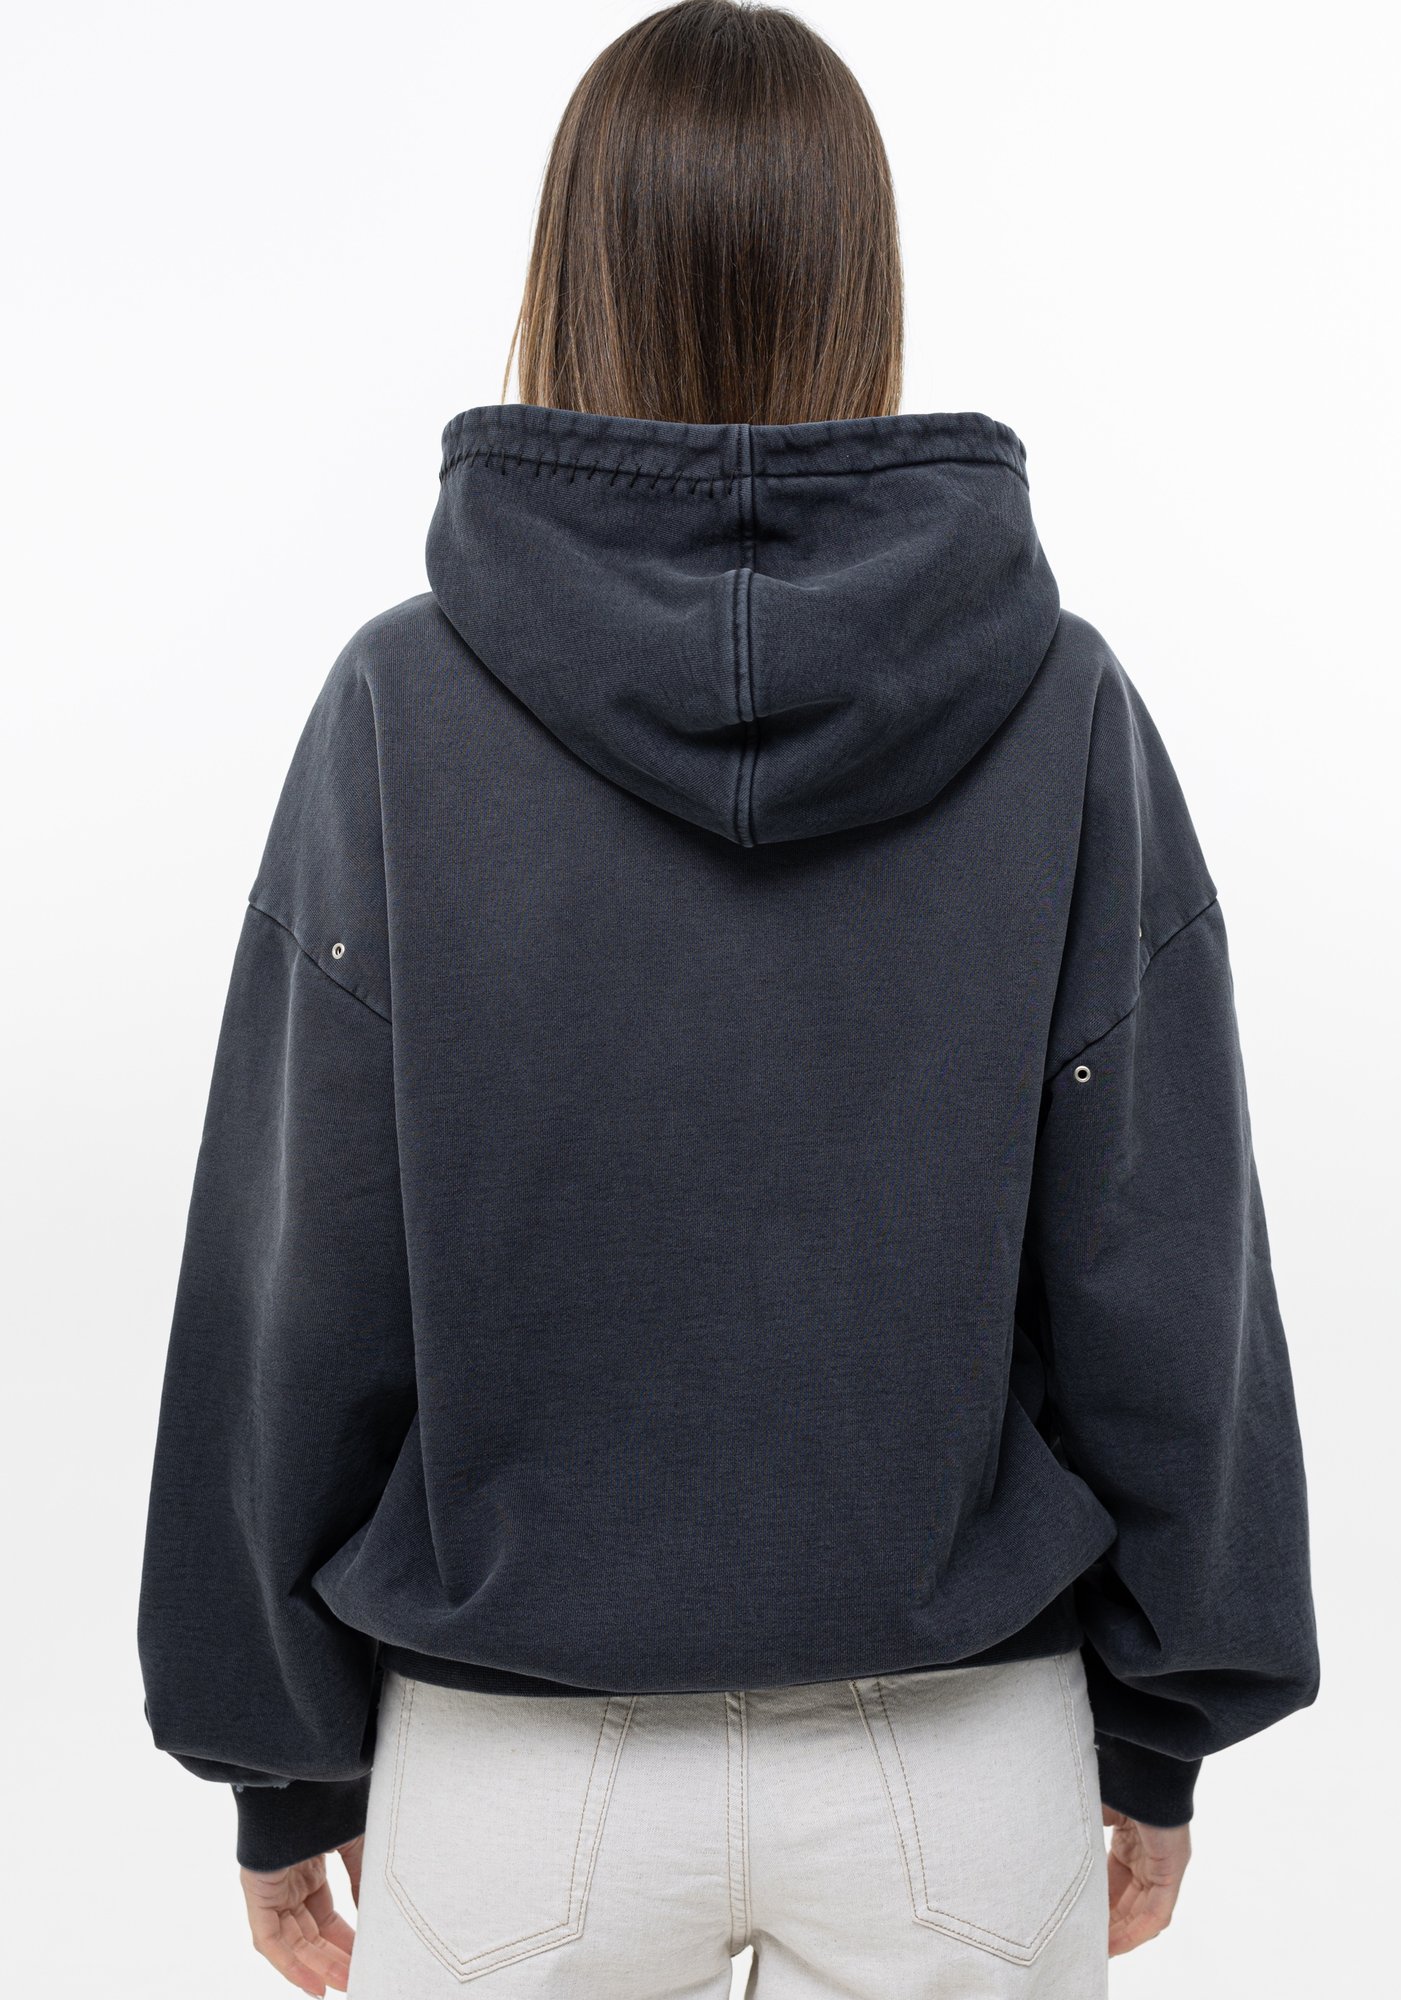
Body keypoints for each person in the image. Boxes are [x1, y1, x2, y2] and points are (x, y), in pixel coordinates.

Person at [137, 4, 1318, 1995]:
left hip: (519, 1779)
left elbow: (297, 1275)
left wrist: (277, 1760)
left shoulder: (401, 709)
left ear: (568, 274)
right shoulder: (1057, 702)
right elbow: (1158, 1264)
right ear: (864, 281)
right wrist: (1161, 1727)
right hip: (955, 1762)